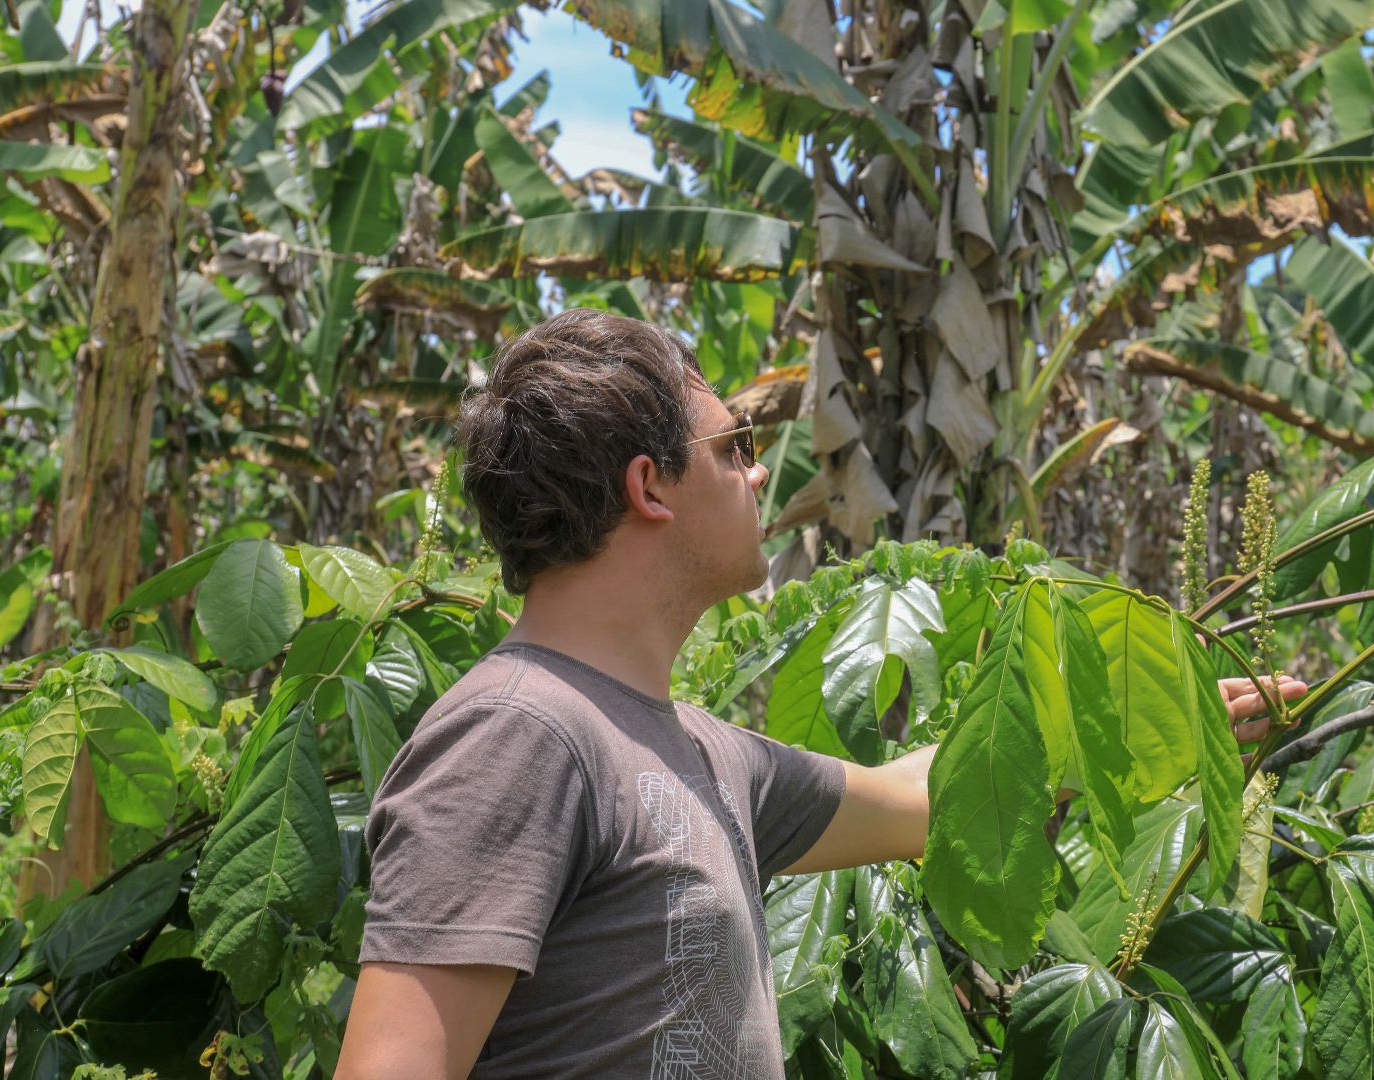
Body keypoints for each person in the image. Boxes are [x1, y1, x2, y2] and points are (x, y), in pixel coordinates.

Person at [333, 310, 1305, 1079]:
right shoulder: (518, 735)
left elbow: (920, 802)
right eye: (731, 446)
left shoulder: (707, 754)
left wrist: (1140, 728)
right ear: (649, 487)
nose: (758, 471)